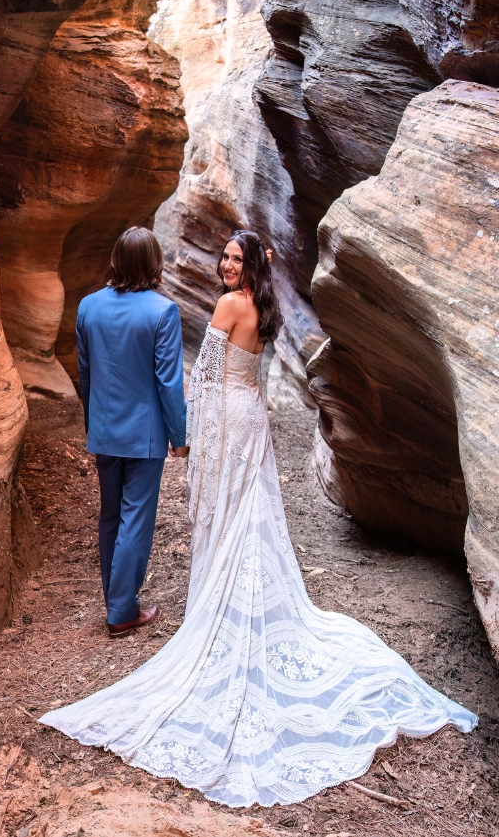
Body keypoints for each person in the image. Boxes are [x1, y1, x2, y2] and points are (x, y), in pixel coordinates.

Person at [39, 230, 477, 807]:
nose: (222, 264)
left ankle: (144, 601)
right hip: (241, 419)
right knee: (229, 511)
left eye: (231, 257)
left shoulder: (156, 305)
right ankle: (143, 604)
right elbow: (204, 372)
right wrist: (183, 432)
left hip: (168, 422)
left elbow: (175, 376)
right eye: (222, 256)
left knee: (142, 515)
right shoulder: (252, 306)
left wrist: (179, 436)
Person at [74, 226, 188, 638]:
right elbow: (169, 383)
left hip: (105, 430)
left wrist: (93, 425)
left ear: (115, 260)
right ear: (155, 264)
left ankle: (116, 599)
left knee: (110, 516)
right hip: (145, 436)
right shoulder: (162, 312)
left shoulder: (88, 307)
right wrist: (180, 436)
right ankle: (121, 611)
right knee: (135, 517)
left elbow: (85, 374)